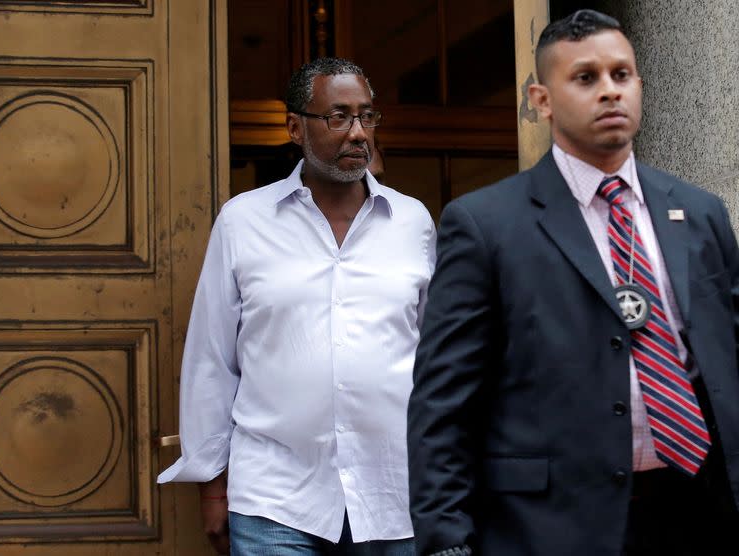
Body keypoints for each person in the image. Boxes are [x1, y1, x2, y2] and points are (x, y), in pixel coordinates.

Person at [407, 9, 739, 556]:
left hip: (696, 511)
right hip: (550, 526)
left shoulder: (699, 213)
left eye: (621, 75)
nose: (609, 92)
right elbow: (443, 406)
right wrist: (446, 541)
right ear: (541, 100)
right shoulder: (486, 225)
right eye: (585, 78)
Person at [159, 57, 436, 556]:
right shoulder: (243, 221)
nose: (357, 133)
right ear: (294, 127)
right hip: (275, 499)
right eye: (338, 117)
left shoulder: (412, 222)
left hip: (395, 495)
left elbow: (436, 357)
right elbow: (211, 362)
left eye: (367, 117)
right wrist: (213, 489)